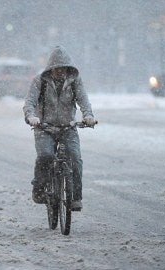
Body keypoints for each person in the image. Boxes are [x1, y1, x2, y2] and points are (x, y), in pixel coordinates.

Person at [23, 46, 96, 211]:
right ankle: (39, 188)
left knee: (75, 158)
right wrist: (31, 117)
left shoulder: (74, 81)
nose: (60, 72)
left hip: (67, 128)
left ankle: (76, 197)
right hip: (44, 128)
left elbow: (83, 100)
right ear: (50, 69)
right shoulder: (39, 81)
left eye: (63, 69)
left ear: (68, 68)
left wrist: (88, 116)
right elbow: (30, 103)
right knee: (46, 155)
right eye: (57, 69)